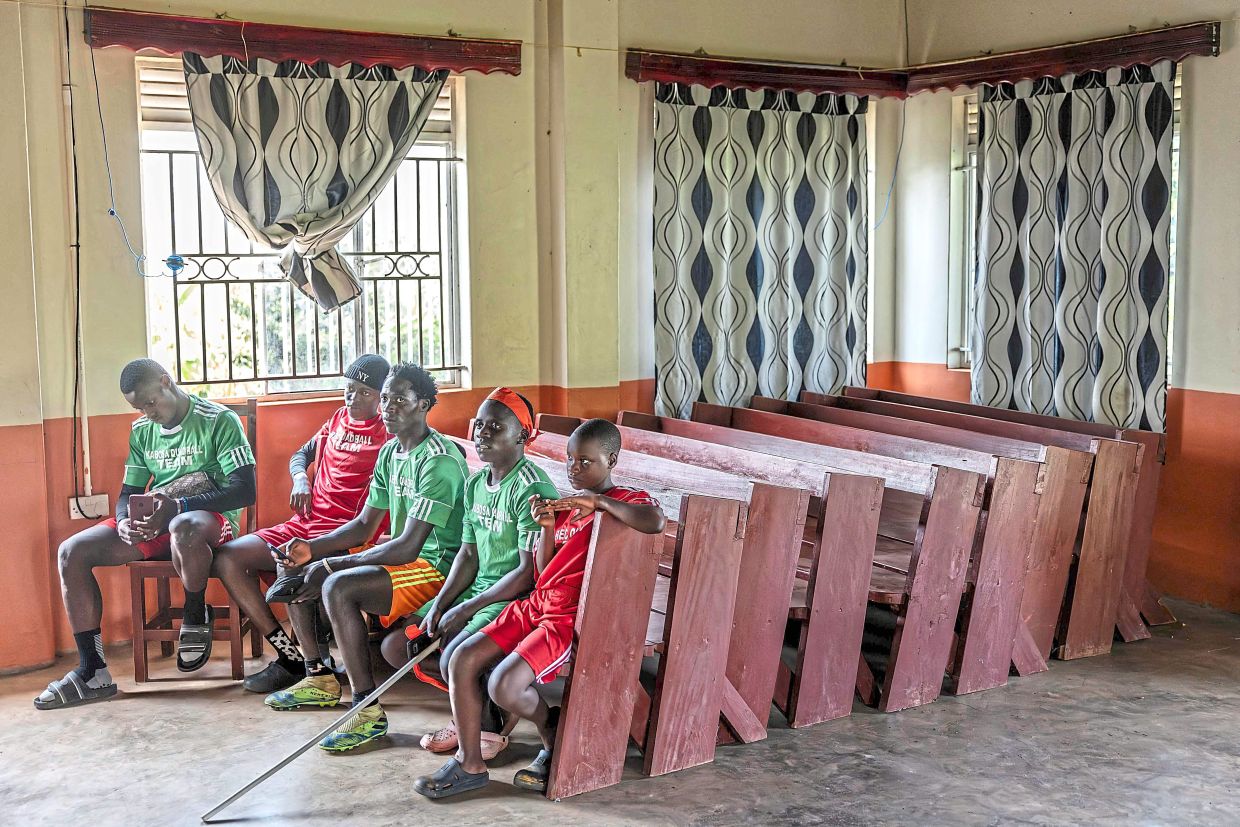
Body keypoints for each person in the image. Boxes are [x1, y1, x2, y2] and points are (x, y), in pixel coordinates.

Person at [414, 418, 664, 799]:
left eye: (585, 461)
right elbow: (544, 573)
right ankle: (469, 764)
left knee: (502, 685)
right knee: (461, 659)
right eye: (570, 460)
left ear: (611, 460)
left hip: (570, 617)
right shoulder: (564, 508)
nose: (574, 468)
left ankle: (550, 726)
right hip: (536, 604)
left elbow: (655, 521)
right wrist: (547, 526)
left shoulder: (626, 500)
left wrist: (599, 503)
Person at [262, 363, 469, 755]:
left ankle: (366, 710)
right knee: (296, 563)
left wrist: (331, 565)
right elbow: (362, 526)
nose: (388, 407)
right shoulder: (391, 452)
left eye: (400, 400)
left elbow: (408, 548)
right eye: (386, 398)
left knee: (339, 586)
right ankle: (319, 676)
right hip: (407, 559)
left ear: (424, 405)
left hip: (439, 567)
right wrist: (311, 550)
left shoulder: (437, 461)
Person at [35, 359, 256, 710]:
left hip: (209, 523)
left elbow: (245, 490)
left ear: (166, 382)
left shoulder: (218, 420)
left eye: (151, 403)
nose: (148, 413)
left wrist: (180, 506)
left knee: (183, 527)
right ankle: (93, 672)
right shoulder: (141, 431)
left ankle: (195, 613)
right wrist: (124, 520)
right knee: (71, 552)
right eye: (140, 408)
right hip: (159, 521)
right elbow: (128, 492)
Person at [211, 354, 391, 693]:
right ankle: (290, 655)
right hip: (305, 523)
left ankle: (315, 670)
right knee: (228, 558)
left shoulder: (389, 435)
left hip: (344, 533)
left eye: (365, 392)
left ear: (382, 397)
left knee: (289, 562)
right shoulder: (337, 419)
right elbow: (300, 455)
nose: (353, 398)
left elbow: (374, 519)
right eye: (349, 389)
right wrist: (301, 480)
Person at [407, 388, 559, 762]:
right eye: (480, 425)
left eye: (496, 427)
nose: (483, 434)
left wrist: (465, 608)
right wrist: (442, 603)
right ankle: (471, 716)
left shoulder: (531, 488)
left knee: (453, 656)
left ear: (523, 436)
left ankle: (486, 729)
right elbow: (468, 553)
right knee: (410, 642)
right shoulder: (476, 483)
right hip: (482, 589)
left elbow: (527, 574)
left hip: (516, 598)